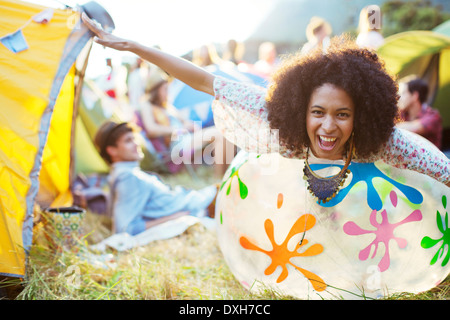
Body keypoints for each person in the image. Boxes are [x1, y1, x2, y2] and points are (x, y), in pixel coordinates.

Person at [81, 13, 450, 193]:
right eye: (318, 112)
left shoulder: (385, 142)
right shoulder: (278, 118)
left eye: (343, 115)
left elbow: (443, 173)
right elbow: (203, 79)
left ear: (362, 117)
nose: (327, 126)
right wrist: (132, 46)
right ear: (301, 110)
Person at [93, 120, 218, 235]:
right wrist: (175, 218)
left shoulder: (123, 174)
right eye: (128, 141)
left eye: (134, 139)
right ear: (112, 151)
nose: (136, 144)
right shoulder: (128, 178)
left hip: (197, 201)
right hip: (201, 206)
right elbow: (124, 229)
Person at [136, 66, 231, 176]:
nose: (167, 93)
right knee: (218, 134)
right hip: (177, 145)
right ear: (156, 90)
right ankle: (220, 177)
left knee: (223, 132)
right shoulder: (146, 105)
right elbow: (151, 129)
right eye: (165, 89)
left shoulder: (166, 106)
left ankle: (225, 175)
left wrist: (188, 125)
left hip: (186, 138)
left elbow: (184, 120)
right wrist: (179, 129)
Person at [397, 78, 443, 149]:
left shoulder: (433, 116)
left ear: (415, 96)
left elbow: (415, 128)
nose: (399, 97)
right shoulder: (403, 113)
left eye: (404, 93)